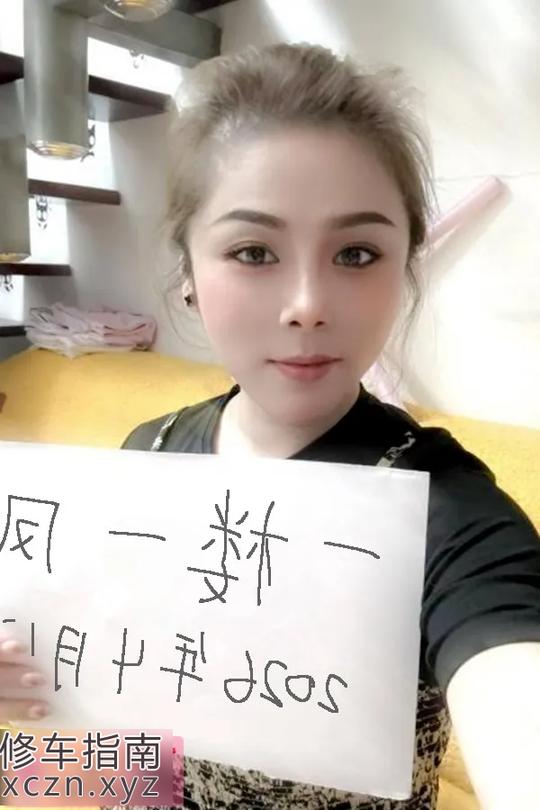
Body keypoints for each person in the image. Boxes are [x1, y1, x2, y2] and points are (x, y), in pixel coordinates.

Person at [1, 42, 539, 810]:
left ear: (404, 269)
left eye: (357, 253)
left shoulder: (445, 511)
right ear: (189, 273)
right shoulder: (149, 455)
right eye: (254, 251)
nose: (307, 304)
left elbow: (511, 679)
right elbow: (139, 736)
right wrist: (32, 688)